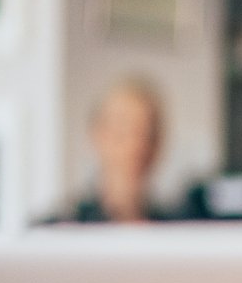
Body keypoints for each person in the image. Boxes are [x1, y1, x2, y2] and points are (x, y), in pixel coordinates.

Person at [56, 76, 168, 224]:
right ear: (98, 134)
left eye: (147, 134)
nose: (136, 145)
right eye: (122, 131)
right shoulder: (61, 228)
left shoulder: (180, 226)